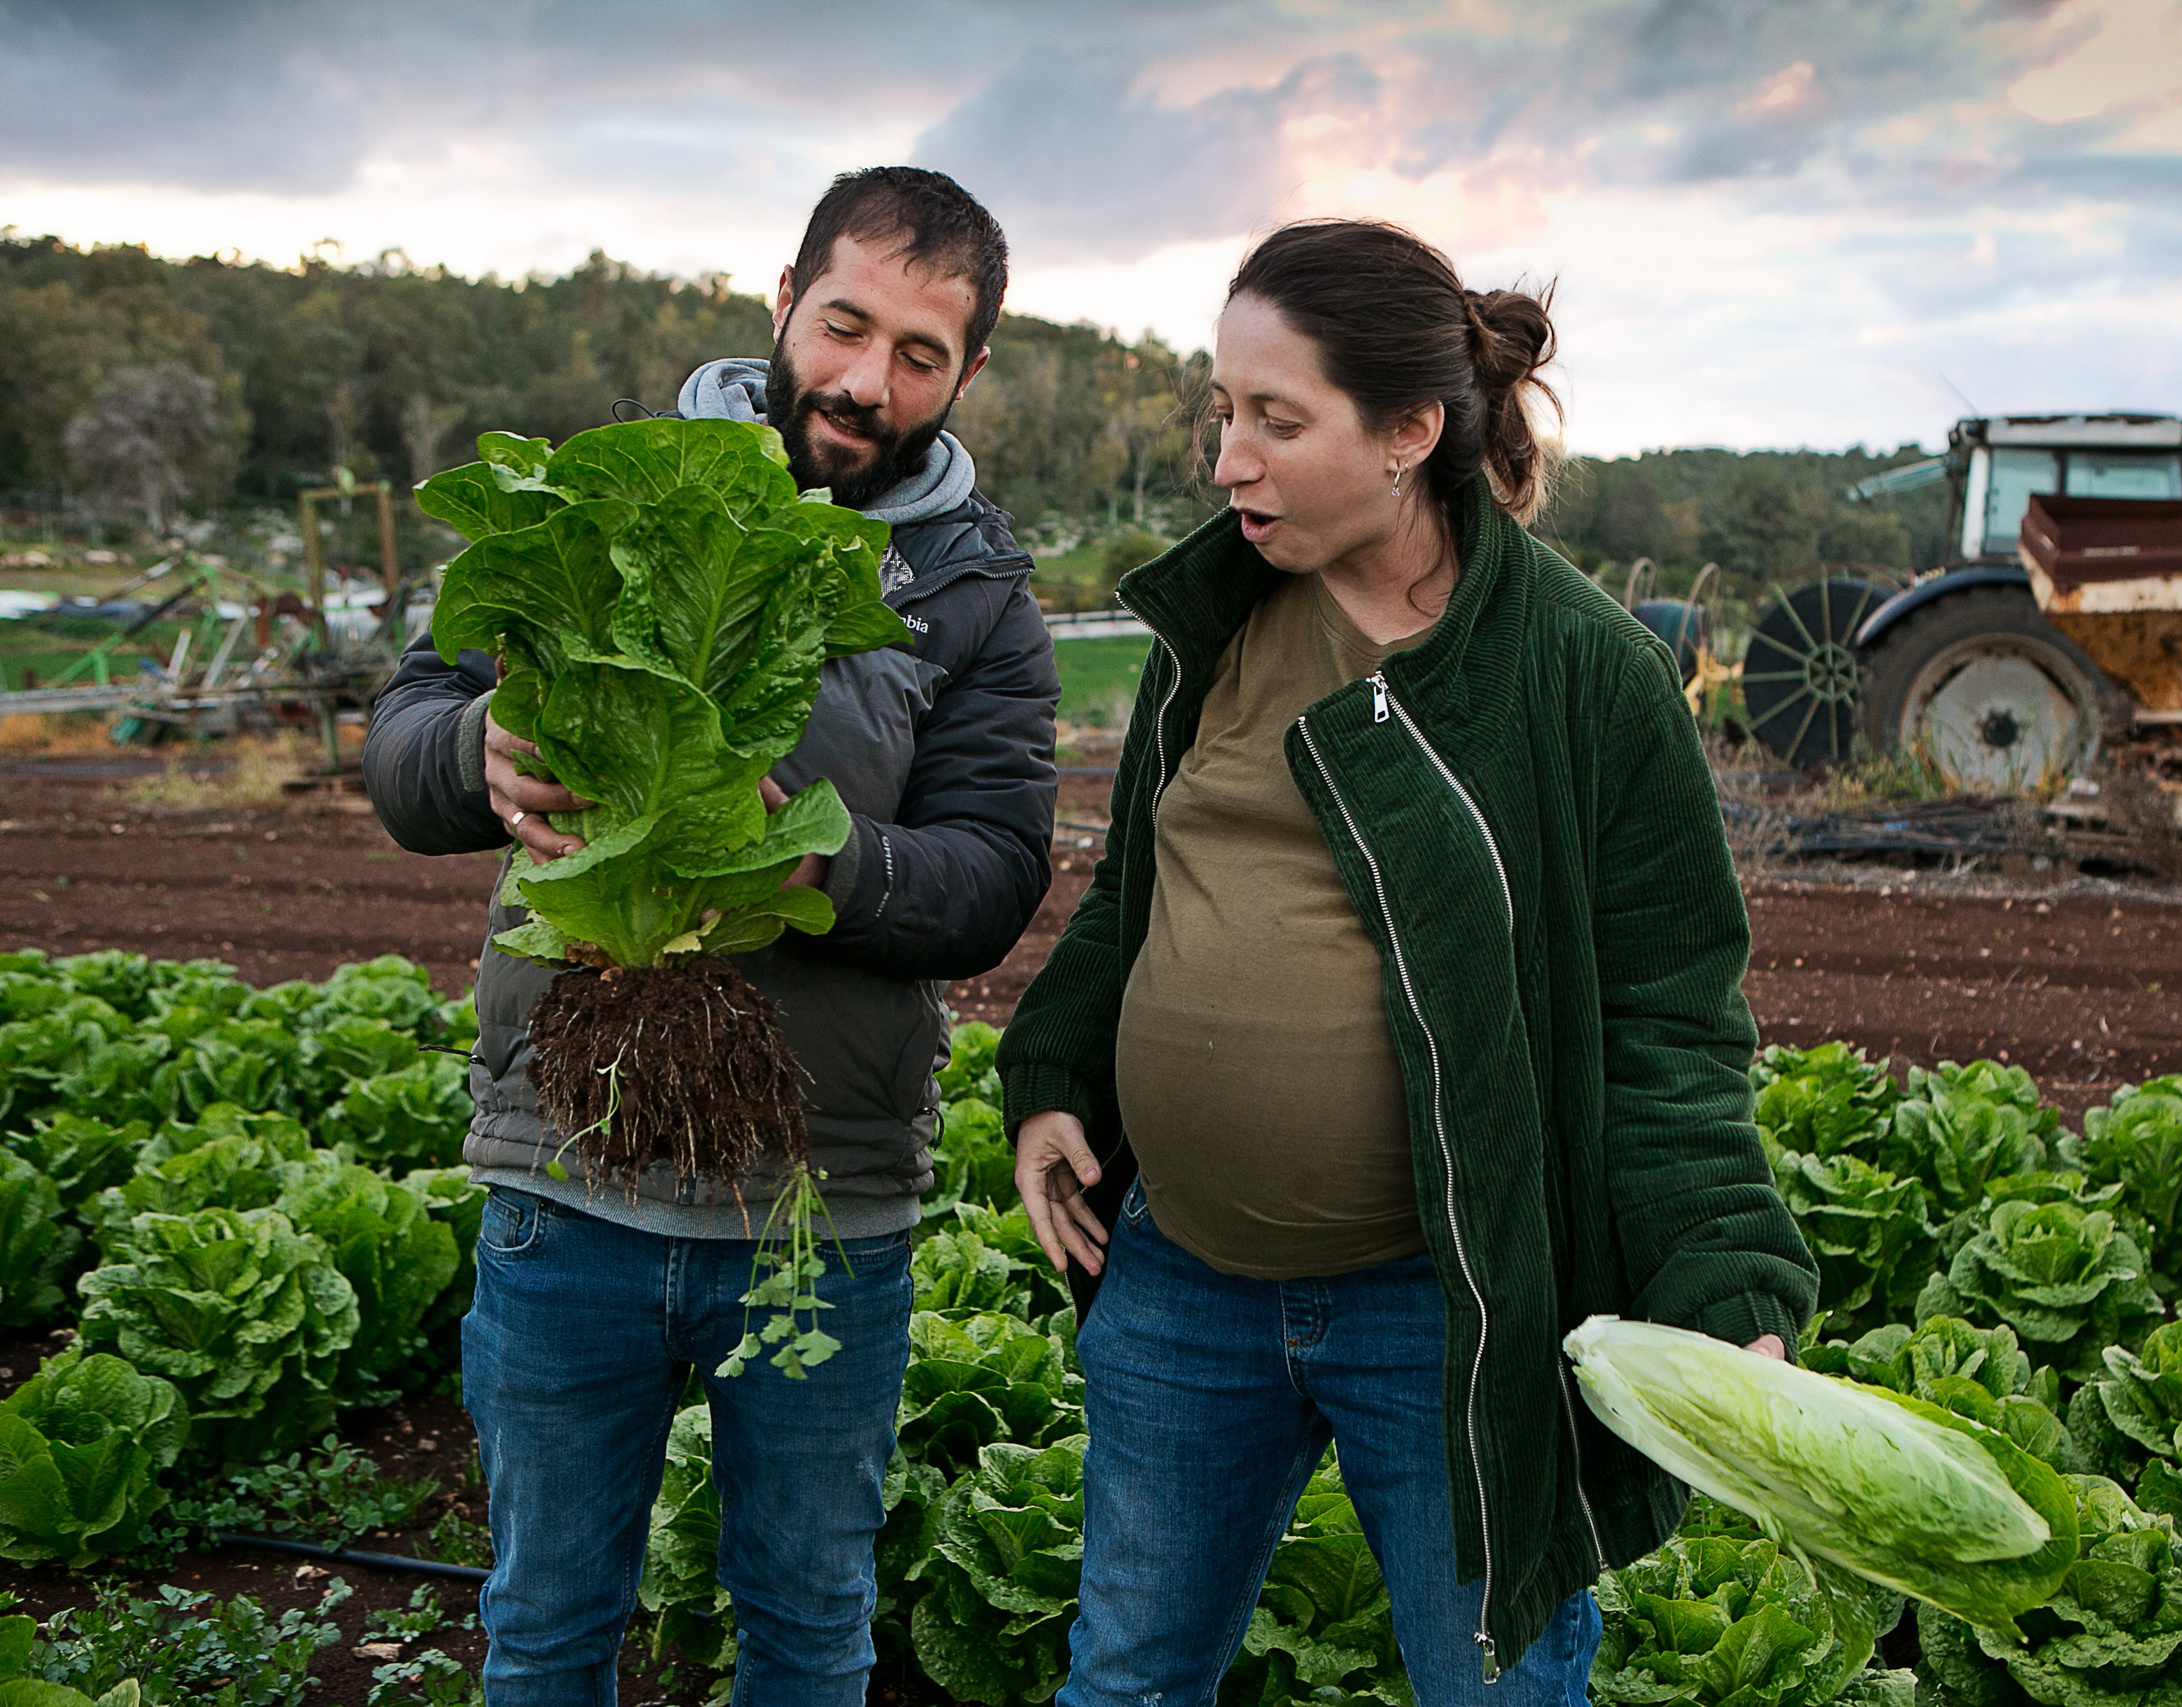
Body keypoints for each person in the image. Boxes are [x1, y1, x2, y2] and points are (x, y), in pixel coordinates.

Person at [996, 218, 1819, 1703]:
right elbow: (1140, 886)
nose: (1229, 460)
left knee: (1498, 1687)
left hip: (1449, 1312)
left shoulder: (1582, 677)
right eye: (1223, 414)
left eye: (1276, 420)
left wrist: (1725, 1281)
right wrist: (1053, 1070)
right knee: (1126, 1678)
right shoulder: (1217, 626)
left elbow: (1665, 1023)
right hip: (1180, 1279)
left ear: (1409, 433)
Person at [365, 166, 1059, 1706]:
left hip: (824, 1199)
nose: (868, 382)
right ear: (785, 302)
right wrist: (469, 747)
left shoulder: (977, 592)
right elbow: (403, 738)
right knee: (544, 1624)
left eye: (922, 354)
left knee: (811, 1631)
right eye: (846, 325)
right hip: (568, 1171)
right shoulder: (604, 505)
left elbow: (993, 876)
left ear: (970, 370)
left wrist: (792, 845)